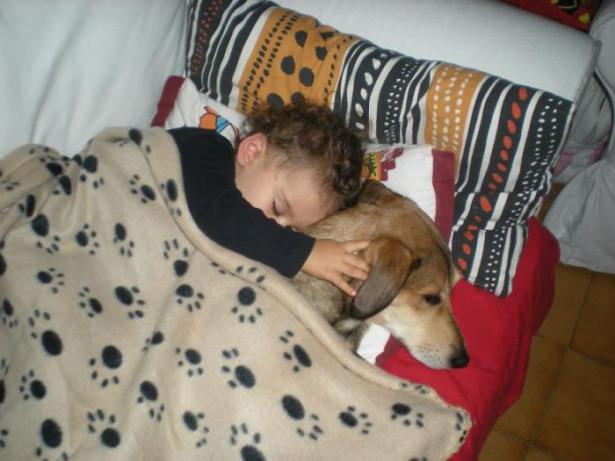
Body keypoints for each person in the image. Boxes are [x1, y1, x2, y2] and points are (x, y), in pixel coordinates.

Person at [168, 102, 369, 296]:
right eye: (277, 208)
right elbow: (220, 215)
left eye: (292, 230)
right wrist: (304, 253)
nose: (276, 227)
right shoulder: (205, 148)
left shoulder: (247, 246)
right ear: (252, 152)